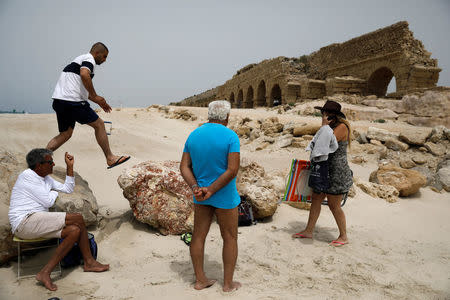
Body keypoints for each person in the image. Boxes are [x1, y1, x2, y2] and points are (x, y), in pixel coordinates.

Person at [8, 149, 109, 291]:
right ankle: (89, 262)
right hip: (25, 222)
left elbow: (67, 188)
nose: (53, 164)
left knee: (74, 231)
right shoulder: (28, 176)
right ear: (38, 165)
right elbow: (48, 202)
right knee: (78, 218)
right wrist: (53, 193)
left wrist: (70, 167)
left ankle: (45, 273)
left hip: (36, 222)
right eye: (50, 162)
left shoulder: (45, 178)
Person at [180, 100, 241, 292]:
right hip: (224, 195)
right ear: (227, 117)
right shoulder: (231, 136)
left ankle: (200, 280)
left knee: (198, 236)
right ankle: (228, 284)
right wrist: (213, 189)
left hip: (201, 195)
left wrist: (196, 187)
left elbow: (184, 166)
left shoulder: (194, 135)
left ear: (209, 115)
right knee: (230, 237)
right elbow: (232, 170)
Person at [46, 42, 130, 169]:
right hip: (72, 102)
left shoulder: (77, 60)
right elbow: (85, 74)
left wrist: (98, 101)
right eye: (104, 56)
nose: (105, 60)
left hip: (59, 101)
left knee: (65, 133)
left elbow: (82, 89)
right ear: (96, 53)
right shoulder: (89, 59)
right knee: (100, 125)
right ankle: (110, 158)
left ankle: (42, 158)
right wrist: (95, 96)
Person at [292, 100, 353, 247]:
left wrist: (324, 126)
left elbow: (324, 144)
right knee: (316, 200)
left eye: (325, 113)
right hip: (323, 170)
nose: (323, 116)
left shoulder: (342, 127)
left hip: (336, 172)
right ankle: (309, 230)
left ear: (333, 116)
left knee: (334, 205)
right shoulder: (328, 128)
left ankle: (343, 236)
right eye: (322, 113)